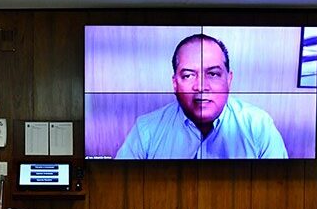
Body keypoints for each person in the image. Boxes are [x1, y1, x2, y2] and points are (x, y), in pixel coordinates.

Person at [115, 33, 288, 159]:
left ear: (229, 80)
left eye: (213, 74)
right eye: (188, 75)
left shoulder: (259, 126)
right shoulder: (146, 130)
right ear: (175, 83)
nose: (201, 86)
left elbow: (278, 189)